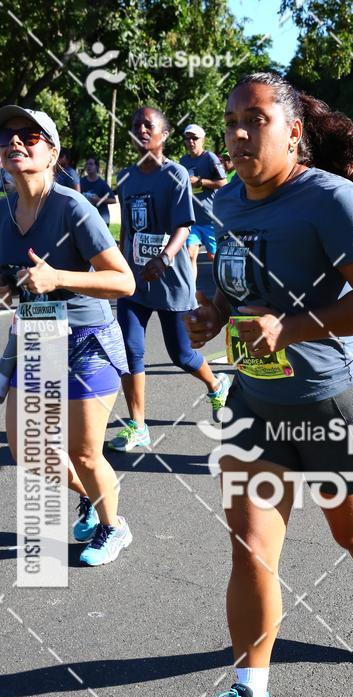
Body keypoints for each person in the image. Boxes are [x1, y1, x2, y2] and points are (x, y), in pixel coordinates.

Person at [185, 72, 353, 697]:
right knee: (251, 551)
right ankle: (250, 696)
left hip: (339, 404)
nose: (238, 133)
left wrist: (293, 326)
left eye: (254, 119)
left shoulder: (330, 200)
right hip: (256, 404)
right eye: (230, 121)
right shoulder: (226, 201)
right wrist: (212, 313)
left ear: (292, 131)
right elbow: (231, 284)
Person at [0, 105, 135, 565]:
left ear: (52, 152)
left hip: (87, 342)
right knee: (28, 451)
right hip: (38, 340)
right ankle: (95, 501)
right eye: (8, 136)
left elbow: (124, 281)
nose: (15, 142)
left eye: (30, 136)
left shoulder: (73, 206)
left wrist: (58, 278)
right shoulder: (5, 212)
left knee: (82, 451)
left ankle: (114, 527)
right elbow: (14, 283)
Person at [108, 107, 230, 452]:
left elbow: (183, 226)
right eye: (135, 125)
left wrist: (163, 258)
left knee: (181, 354)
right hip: (135, 281)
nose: (141, 130)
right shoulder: (126, 177)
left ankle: (216, 385)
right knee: (130, 349)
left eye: (149, 125)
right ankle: (138, 424)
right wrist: (120, 264)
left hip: (170, 279)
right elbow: (128, 230)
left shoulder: (175, 174)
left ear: (163, 135)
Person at [179, 123, 227, 287]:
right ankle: (190, 292)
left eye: (195, 138)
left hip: (210, 218)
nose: (191, 142)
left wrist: (200, 182)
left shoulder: (210, 158)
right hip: (193, 219)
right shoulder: (183, 161)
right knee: (191, 253)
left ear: (202, 140)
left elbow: (223, 183)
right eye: (187, 138)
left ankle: (221, 291)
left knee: (213, 257)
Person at [80, 157, 117, 226]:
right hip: (85, 219)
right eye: (87, 164)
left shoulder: (102, 184)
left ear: (96, 167)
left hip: (101, 218)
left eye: (91, 164)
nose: (88, 166)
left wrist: (99, 200)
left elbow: (113, 200)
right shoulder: (81, 182)